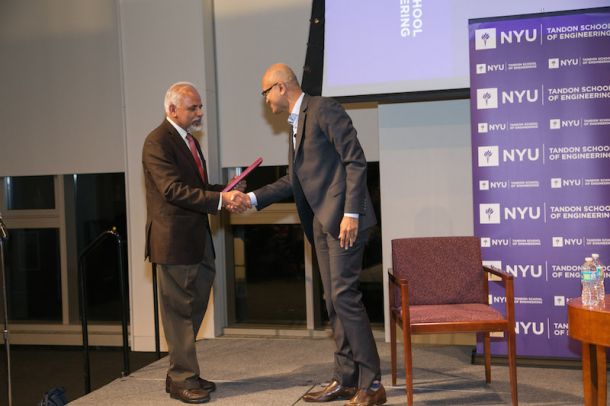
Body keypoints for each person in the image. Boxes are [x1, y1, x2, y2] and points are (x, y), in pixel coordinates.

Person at [248, 64, 385, 406]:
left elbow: (355, 161)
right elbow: (293, 181)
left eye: (266, 92)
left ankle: (372, 384)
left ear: (281, 87)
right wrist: (252, 198)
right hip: (322, 224)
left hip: (343, 221)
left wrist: (351, 213)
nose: (265, 100)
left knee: (344, 297)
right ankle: (346, 378)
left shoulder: (323, 108)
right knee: (332, 301)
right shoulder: (295, 126)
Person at [142, 81, 249, 404]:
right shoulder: (157, 142)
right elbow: (173, 191)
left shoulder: (188, 141)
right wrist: (220, 198)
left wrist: (228, 188)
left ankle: (183, 370)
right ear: (172, 109)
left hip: (197, 238)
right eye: (194, 108)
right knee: (179, 313)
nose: (200, 113)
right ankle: (181, 378)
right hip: (174, 242)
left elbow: (197, 187)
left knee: (194, 308)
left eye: (200, 106)